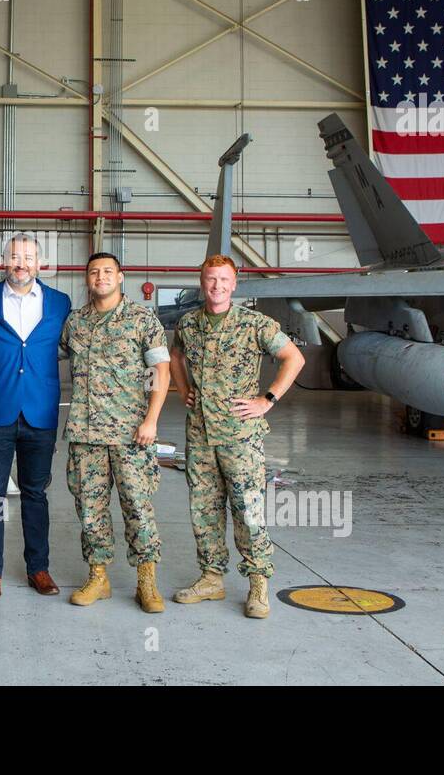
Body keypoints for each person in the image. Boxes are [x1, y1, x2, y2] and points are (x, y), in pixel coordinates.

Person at [168, 254, 305, 619]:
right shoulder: (188, 323)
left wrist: (267, 399)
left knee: (248, 509)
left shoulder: (254, 324)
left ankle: (258, 582)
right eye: (211, 279)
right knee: (204, 509)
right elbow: (176, 356)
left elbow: (294, 358)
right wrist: (183, 391)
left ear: (234, 284)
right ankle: (212, 577)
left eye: (224, 280)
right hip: (200, 433)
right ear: (202, 281)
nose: (217, 286)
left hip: (240, 434)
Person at [60, 252, 171, 613]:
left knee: (138, 508)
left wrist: (152, 419)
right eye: (94, 272)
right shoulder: (75, 322)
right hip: (86, 433)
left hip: (131, 434)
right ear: (87, 279)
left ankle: (146, 581)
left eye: (108, 271)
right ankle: (98, 577)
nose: (101, 277)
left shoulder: (142, 319)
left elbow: (161, 372)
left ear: (121, 277)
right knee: (90, 510)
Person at [0, 233, 70, 598]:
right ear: (3, 261)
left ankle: (38, 568)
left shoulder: (60, 302)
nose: (21, 263)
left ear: (39, 263)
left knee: (35, 494)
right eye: (15, 256)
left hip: (40, 412)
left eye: (28, 257)